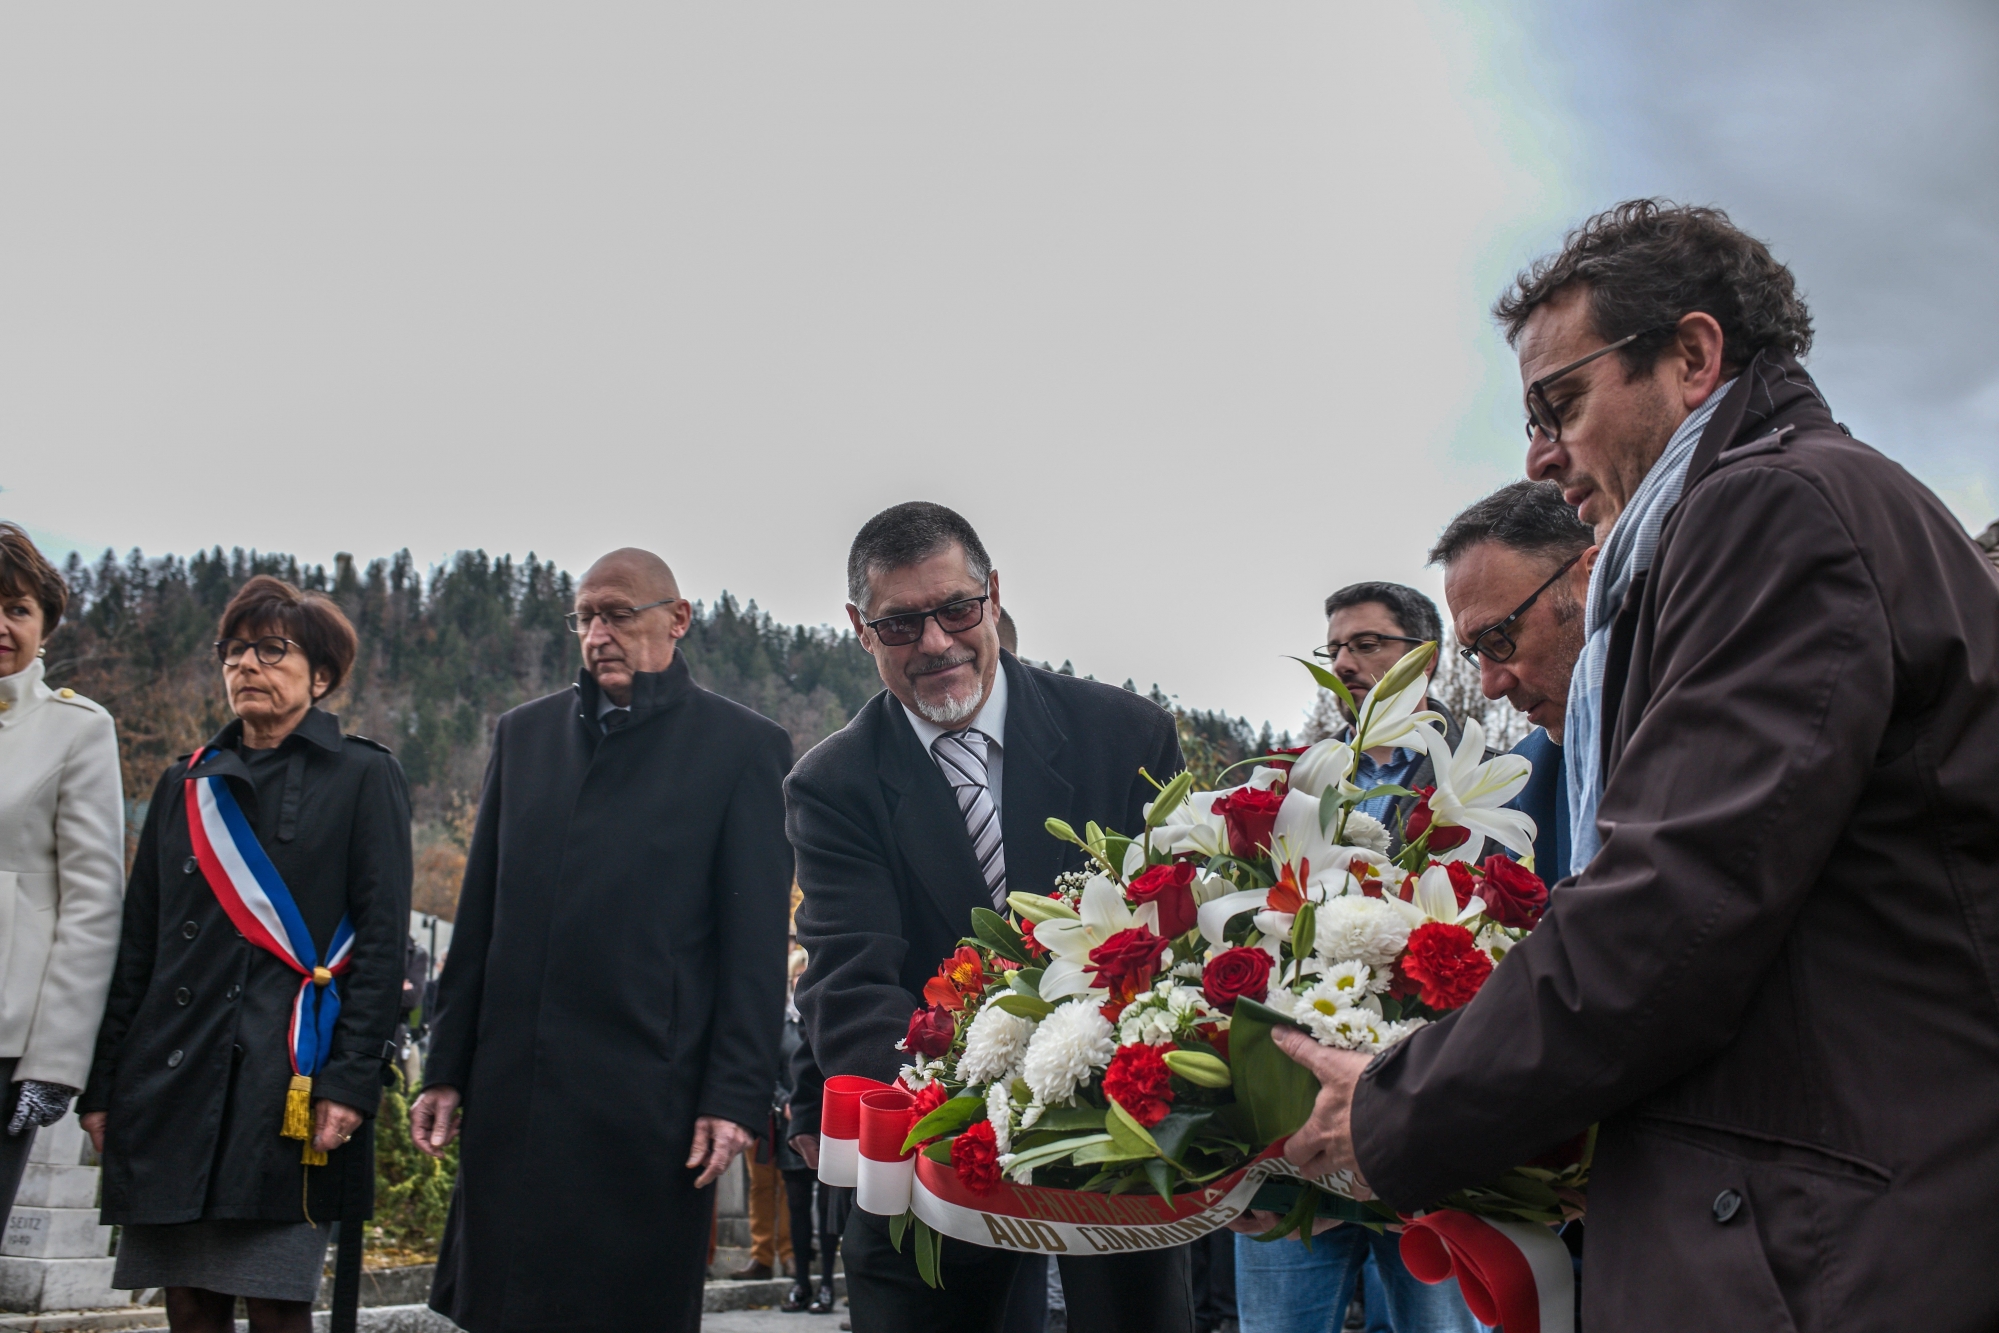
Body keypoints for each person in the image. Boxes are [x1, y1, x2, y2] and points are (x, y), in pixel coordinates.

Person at [1274, 200, 1999, 1331]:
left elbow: (1675, 909)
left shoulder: (1774, 509)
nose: (1537, 452)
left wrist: (1394, 1110)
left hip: (1824, 1242)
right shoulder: (1756, 515)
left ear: (1692, 356)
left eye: (1560, 401)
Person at [788, 501, 1192, 1333]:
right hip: (938, 1174)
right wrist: (977, 1124)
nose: (934, 642)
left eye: (955, 609)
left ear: (994, 597)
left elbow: (1178, 944)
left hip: (1120, 1155)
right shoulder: (832, 785)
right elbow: (850, 980)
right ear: (860, 631)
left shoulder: (1126, 736)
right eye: (899, 624)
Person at [412, 547, 794, 1333]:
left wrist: (733, 1095)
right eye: (584, 615)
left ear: (677, 619)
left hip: (648, 1105)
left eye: (618, 613)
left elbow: (753, 947)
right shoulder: (525, 736)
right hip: (518, 1100)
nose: (597, 633)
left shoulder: (741, 748)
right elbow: (477, 917)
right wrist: (445, 1067)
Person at [81, 575, 411, 1333]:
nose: (247, 666)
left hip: (285, 1078)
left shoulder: (365, 775)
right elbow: (140, 945)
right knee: (189, 1302)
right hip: (173, 1076)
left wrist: (351, 1082)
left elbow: (384, 938)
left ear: (320, 675)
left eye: (272, 650)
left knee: (275, 1300)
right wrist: (104, 1086)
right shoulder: (183, 783)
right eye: (234, 651)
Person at [0, 524, 124, 1219]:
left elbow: (92, 905)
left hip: (6, 1038)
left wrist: (53, 1061)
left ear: (43, 625)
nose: (2, 623)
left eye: (17, 607)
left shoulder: (77, 729)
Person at [1428, 481, 1596, 881]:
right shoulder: (1531, 777)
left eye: (1500, 638)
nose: (1490, 687)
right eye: (1475, 653)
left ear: (1591, 578)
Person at [1315, 583, 1481, 847]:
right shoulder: (1294, 775)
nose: (1340, 665)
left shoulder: (1488, 779)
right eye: (1333, 653)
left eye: (1366, 644)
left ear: (1424, 660)